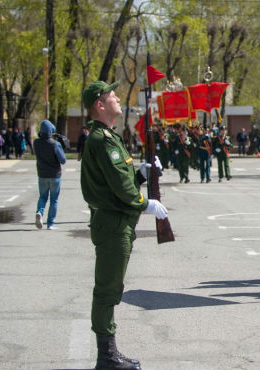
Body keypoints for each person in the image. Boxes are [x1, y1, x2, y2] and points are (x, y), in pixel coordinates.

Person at [80, 80, 167, 370]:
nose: (118, 98)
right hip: (113, 224)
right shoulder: (103, 140)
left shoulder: (109, 137)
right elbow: (120, 187)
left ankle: (110, 352)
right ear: (99, 105)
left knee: (112, 286)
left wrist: (142, 174)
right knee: (107, 288)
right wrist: (146, 204)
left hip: (116, 222)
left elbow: (121, 179)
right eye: (111, 95)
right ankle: (106, 356)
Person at [33, 120, 67, 230]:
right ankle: (50, 223)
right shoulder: (55, 144)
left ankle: (39, 212)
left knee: (42, 197)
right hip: (54, 175)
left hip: (42, 174)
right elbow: (63, 160)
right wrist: (61, 143)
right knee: (54, 200)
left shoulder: (36, 143)